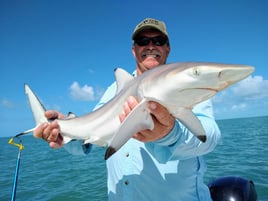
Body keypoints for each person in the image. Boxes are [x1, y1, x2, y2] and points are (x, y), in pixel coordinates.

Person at [34, 18, 221, 201]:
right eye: (142, 41)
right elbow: (90, 136)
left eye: (158, 41)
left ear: (167, 48)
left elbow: (209, 138)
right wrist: (63, 130)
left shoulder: (189, 87)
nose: (150, 46)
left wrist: (169, 134)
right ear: (134, 50)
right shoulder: (111, 93)